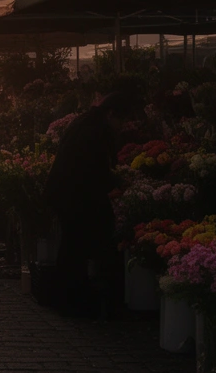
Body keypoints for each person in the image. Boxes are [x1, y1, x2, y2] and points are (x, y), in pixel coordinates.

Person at [42, 90, 143, 317]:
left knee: (72, 245)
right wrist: (117, 183)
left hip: (68, 192)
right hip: (73, 194)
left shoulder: (88, 123)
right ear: (110, 114)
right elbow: (94, 169)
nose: (123, 126)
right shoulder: (94, 131)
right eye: (122, 120)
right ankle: (72, 298)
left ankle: (69, 296)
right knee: (76, 244)